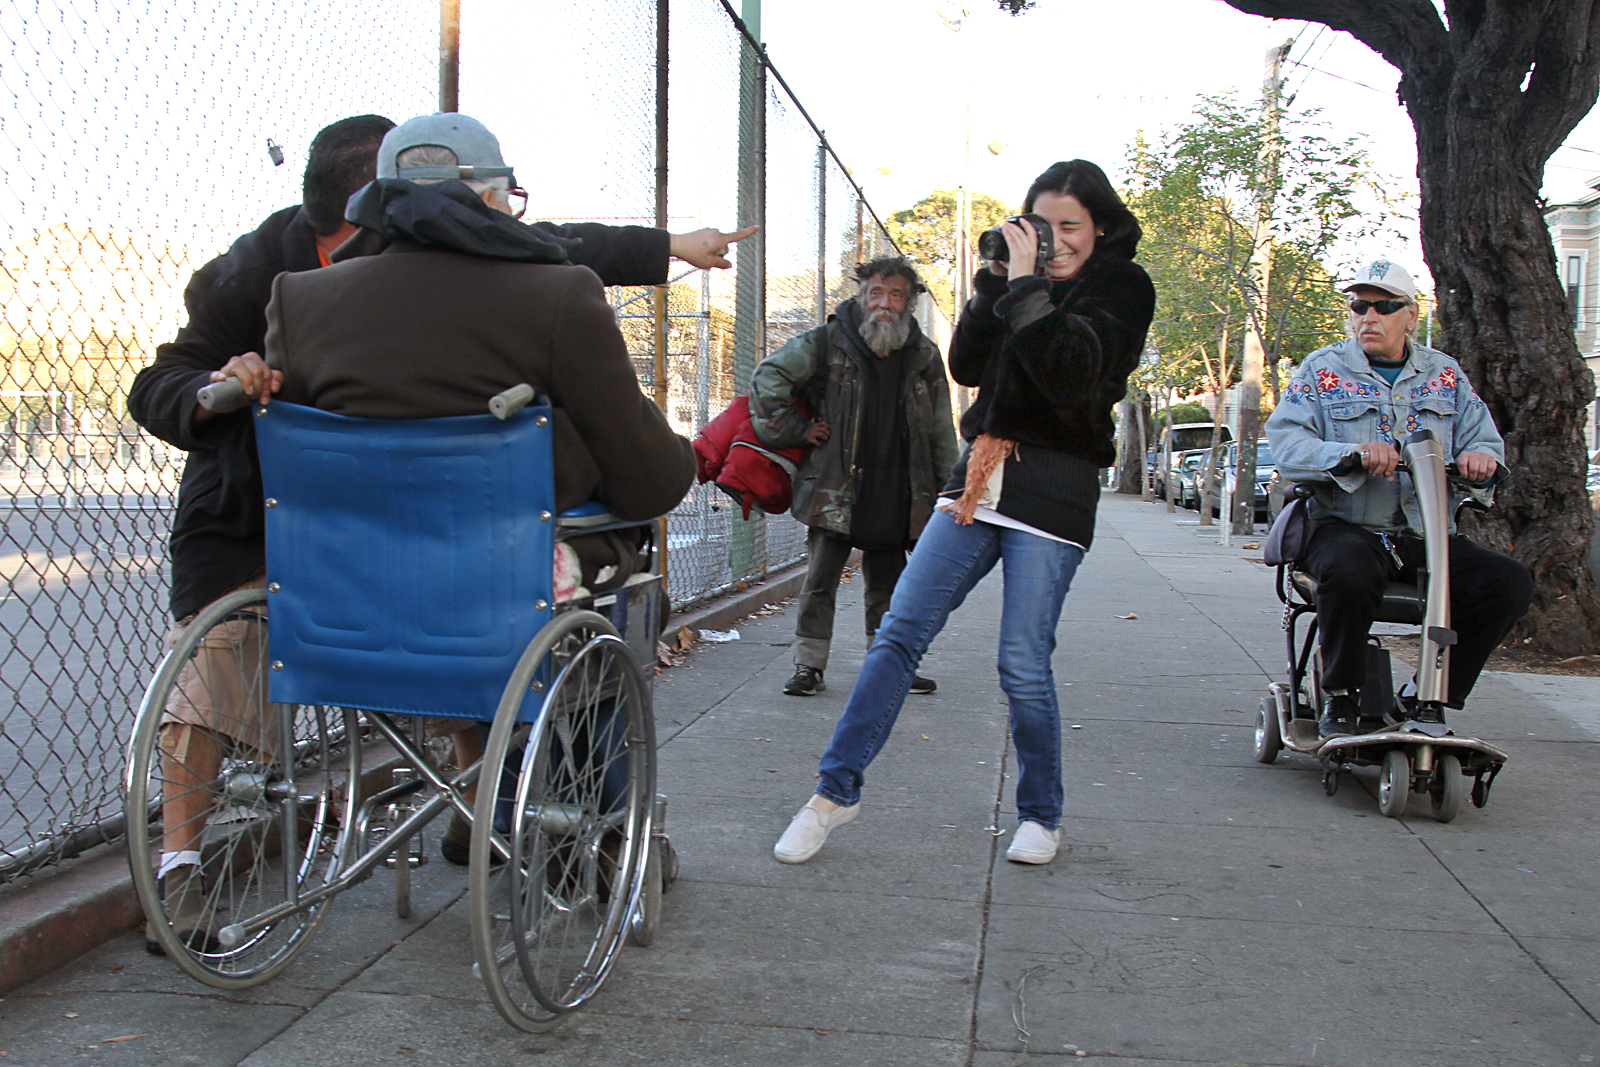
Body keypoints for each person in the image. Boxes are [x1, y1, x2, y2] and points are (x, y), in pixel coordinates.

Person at [126, 114, 746, 951]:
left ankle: (475, 801)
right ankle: (597, 830)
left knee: (436, 565)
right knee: (606, 591)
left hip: (342, 597)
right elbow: (646, 478)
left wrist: (667, 244)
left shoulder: (296, 302)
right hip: (473, 591)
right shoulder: (551, 291)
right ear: (486, 200)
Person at [772, 159, 1155, 867]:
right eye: (1043, 225)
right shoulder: (1018, 282)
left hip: (1054, 489)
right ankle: (833, 793)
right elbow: (969, 365)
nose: (1057, 240)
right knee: (899, 633)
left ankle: (1040, 814)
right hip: (978, 478)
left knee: (1022, 663)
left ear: (1101, 228)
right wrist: (992, 283)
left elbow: (1071, 375)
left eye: (1071, 226)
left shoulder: (1123, 287)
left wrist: (1029, 286)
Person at [1266, 258, 1533, 739]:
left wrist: (1481, 458)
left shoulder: (1444, 374)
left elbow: (1485, 441)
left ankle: (1427, 696)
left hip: (1425, 536)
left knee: (1507, 582)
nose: (1369, 316)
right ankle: (1341, 696)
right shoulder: (1321, 370)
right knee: (1350, 568)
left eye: (1385, 306)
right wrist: (1350, 454)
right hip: (1344, 527)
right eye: (1359, 306)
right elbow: (1287, 445)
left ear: (1411, 315)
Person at [749, 258, 958, 697]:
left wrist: (948, 492)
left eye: (896, 295)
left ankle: (887, 667)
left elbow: (941, 427)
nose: (885, 303)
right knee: (819, 580)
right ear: (862, 296)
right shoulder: (828, 341)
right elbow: (769, 376)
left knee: (890, 583)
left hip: (899, 488)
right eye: (876, 293)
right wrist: (798, 430)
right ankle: (809, 666)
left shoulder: (922, 354)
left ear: (909, 302)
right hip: (833, 486)